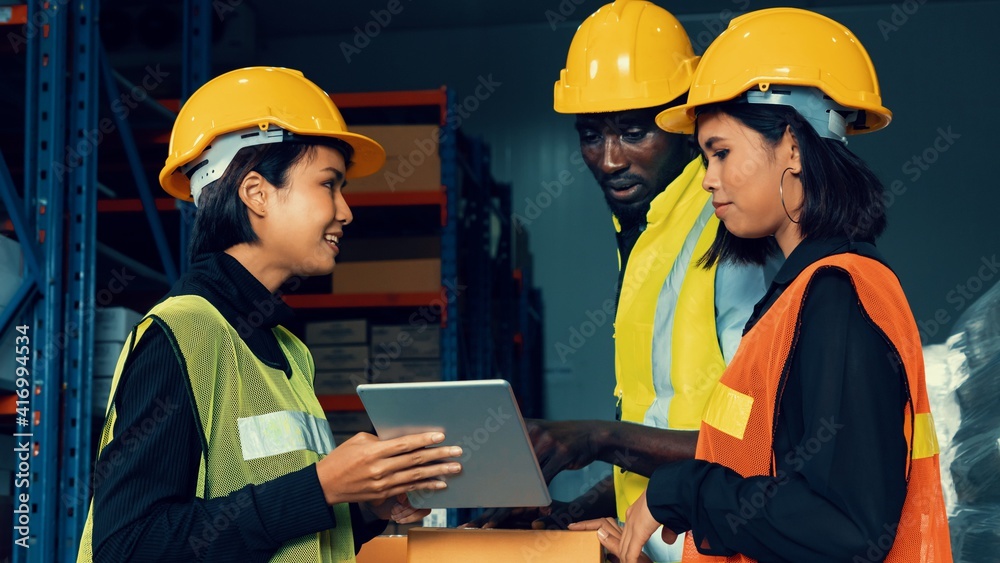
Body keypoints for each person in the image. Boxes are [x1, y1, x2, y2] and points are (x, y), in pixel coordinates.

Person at [579, 8, 952, 563]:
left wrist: (682, 491)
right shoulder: (794, 301)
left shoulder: (840, 295)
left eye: (721, 152)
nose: (707, 178)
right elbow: (773, 488)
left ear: (794, 148)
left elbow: (843, 527)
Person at [77, 67, 463, 562]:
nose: (345, 212)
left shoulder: (287, 352)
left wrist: (362, 506)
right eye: (329, 185)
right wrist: (320, 487)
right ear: (256, 192)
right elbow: (126, 546)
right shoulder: (181, 334)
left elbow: (280, 525)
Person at [466, 2, 773, 561]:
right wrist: (570, 511)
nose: (609, 160)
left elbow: (753, 445)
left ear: (687, 127)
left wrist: (594, 438)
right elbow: (661, 428)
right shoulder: (646, 234)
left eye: (633, 133)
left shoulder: (731, 236)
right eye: (591, 135)